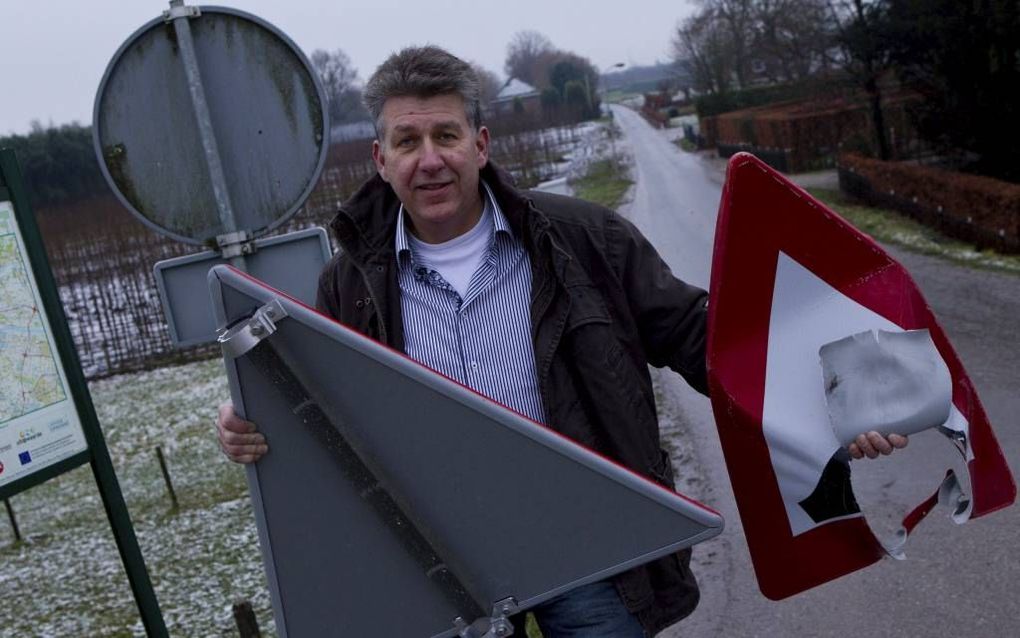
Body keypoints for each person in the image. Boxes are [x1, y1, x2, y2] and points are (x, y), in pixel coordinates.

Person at [216, 45, 906, 637]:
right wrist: (252, 422)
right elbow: (321, 409)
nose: (430, 160)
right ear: (381, 159)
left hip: (586, 542)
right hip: (437, 554)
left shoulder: (584, 239)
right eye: (407, 141)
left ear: (480, 146)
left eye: (447, 136)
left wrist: (828, 406)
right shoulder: (348, 284)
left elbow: (702, 337)